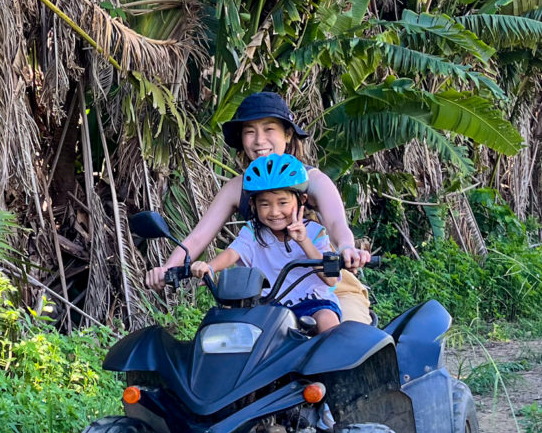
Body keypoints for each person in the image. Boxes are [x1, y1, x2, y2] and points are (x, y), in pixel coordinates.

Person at [146, 92, 373, 322]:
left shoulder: (312, 180)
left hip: (326, 289)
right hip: (268, 297)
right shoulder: (238, 188)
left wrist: (346, 248)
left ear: (287, 134)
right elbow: (197, 238)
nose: (259, 140)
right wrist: (168, 269)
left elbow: (336, 223)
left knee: (345, 336)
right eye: (250, 131)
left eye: (269, 129)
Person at [188, 153, 342, 332]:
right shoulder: (253, 232)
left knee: (327, 320)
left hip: (312, 303)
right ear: (253, 204)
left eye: (283, 202)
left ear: (302, 200)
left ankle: (335, 349)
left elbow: (330, 279)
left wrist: (303, 241)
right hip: (267, 307)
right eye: (265, 204)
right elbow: (233, 252)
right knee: (230, 324)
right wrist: (210, 267)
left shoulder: (315, 232)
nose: (274, 212)